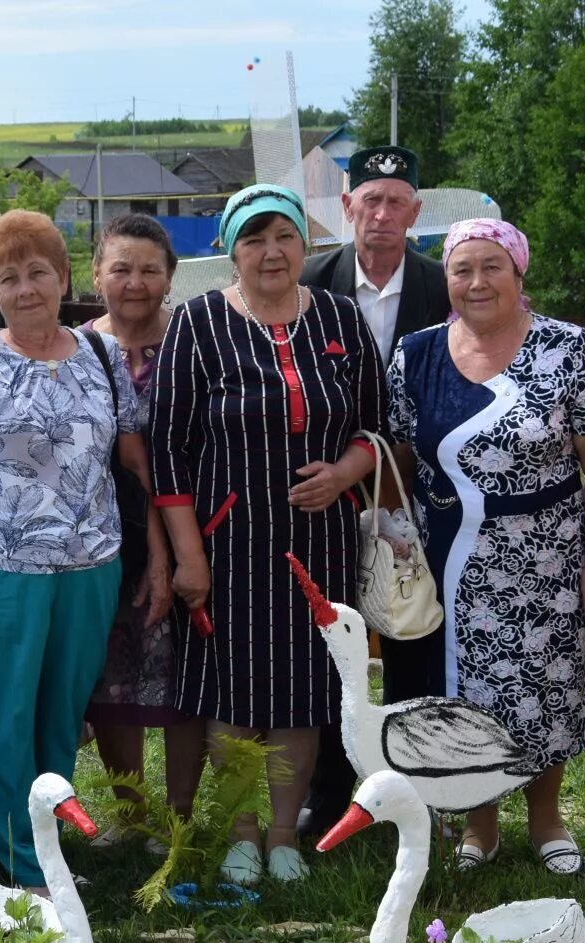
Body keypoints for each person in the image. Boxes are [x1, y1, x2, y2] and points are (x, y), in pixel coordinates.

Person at [149, 185, 385, 886]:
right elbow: (167, 449)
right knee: (236, 693)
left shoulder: (341, 318)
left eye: (283, 234)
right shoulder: (197, 325)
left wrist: (345, 470)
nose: (270, 250)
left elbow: (381, 429)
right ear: (230, 249)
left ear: (305, 244)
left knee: (304, 690)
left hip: (322, 542)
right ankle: (241, 831)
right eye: (253, 238)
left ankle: (286, 833)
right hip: (230, 544)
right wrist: (190, 552)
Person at [0, 210, 165, 890]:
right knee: (8, 720)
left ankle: (46, 842)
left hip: (91, 567)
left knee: (61, 717)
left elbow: (135, 465)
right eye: (10, 277)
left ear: (63, 278)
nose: (27, 287)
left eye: (39, 272)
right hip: (1, 570)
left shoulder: (99, 357)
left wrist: (156, 553)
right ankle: (23, 866)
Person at [388, 217, 585, 876]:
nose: (476, 281)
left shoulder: (567, 348)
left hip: (549, 556)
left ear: (519, 273)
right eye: (462, 269)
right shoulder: (417, 353)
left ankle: (546, 817)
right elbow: (402, 455)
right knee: (465, 695)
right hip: (450, 558)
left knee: (550, 685)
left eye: (492, 266)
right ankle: (479, 824)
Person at [298, 145, 449, 836]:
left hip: (423, 493)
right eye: (370, 201)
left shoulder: (446, 285)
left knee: (415, 637)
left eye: (396, 202)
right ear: (348, 208)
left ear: (415, 214)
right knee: (339, 643)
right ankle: (329, 795)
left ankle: (413, 797)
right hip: (331, 491)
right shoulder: (309, 281)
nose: (382, 214)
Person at [82, 214, 203, 826]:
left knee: (188, 683)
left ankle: (178, 816)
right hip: (105, 539)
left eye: (150, 270)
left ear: (170, 279)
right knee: (113, 685)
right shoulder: (75, 347)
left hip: (193, 532)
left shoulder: (195, 340)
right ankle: (133, 816)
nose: (134, 282)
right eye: (121, 268)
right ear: (96, 273)